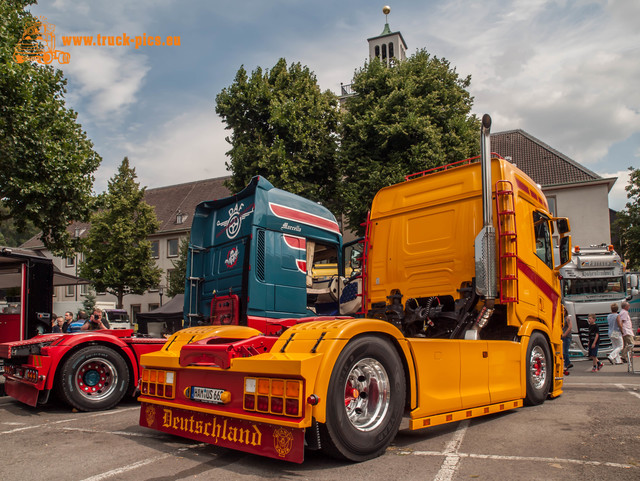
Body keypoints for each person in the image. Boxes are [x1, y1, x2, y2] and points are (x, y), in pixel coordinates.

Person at [619, 301, 634, 367]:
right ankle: (624, 355)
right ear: (625, 307)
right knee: (631, 344)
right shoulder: (624, 312)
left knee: (625, 345)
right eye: (628, 306)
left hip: (626, 330)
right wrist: (622, 330)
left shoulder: (622, 312)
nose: (629, 307)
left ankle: (624, 357)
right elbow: (622, 322)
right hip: (626, 331)